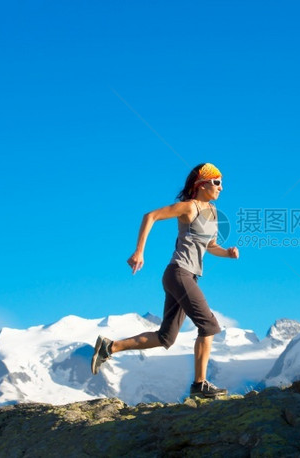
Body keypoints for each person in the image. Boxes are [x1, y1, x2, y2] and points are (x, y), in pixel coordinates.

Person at [90, 163, 240, 399]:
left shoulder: (212, 213)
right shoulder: (188, 208)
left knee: (165, 337)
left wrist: (227, 253)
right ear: (201, 184)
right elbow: (150, 216)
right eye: (217, 182)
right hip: (178, 273)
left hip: (187, 277)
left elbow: (210, 246)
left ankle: (110, 347)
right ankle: (199, 385)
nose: (222, 187)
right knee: (209, 325)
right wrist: (139, 251)